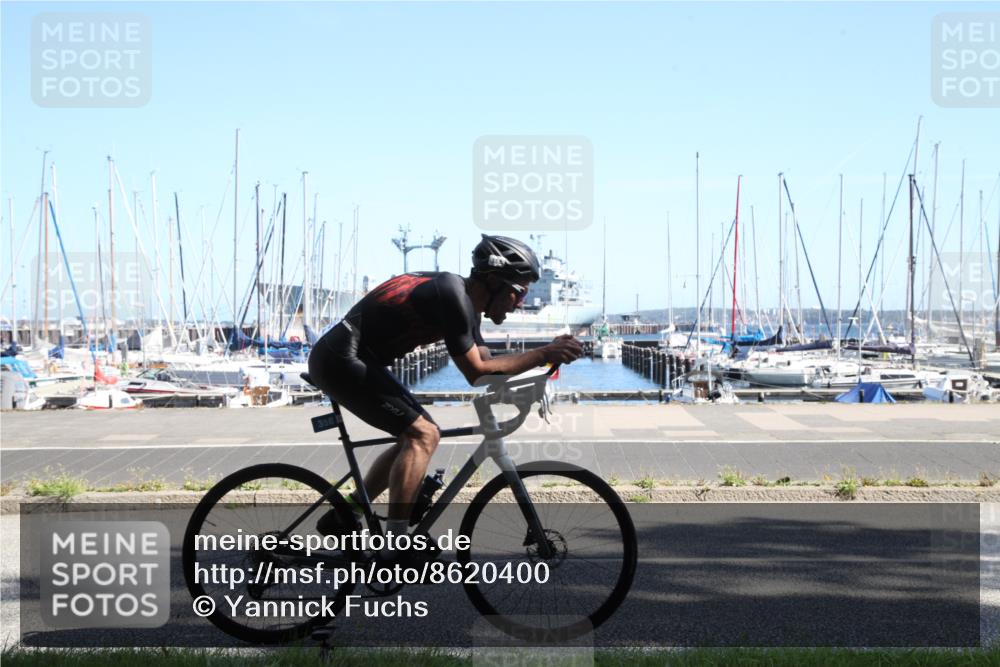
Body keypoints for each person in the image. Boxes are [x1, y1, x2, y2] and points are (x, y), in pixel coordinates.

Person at [307, 235, 583, 543]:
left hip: (356, 358)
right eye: (518, 292)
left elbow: (488, 361)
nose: (521, 302)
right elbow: (476, 372)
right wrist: (544, 353)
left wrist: (534, 375)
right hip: (340, 358)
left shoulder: (466, 304)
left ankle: (345, 514)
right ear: (493, 281)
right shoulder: (451, 296)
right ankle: (396, 545)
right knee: (423, 435)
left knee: (413, 437)